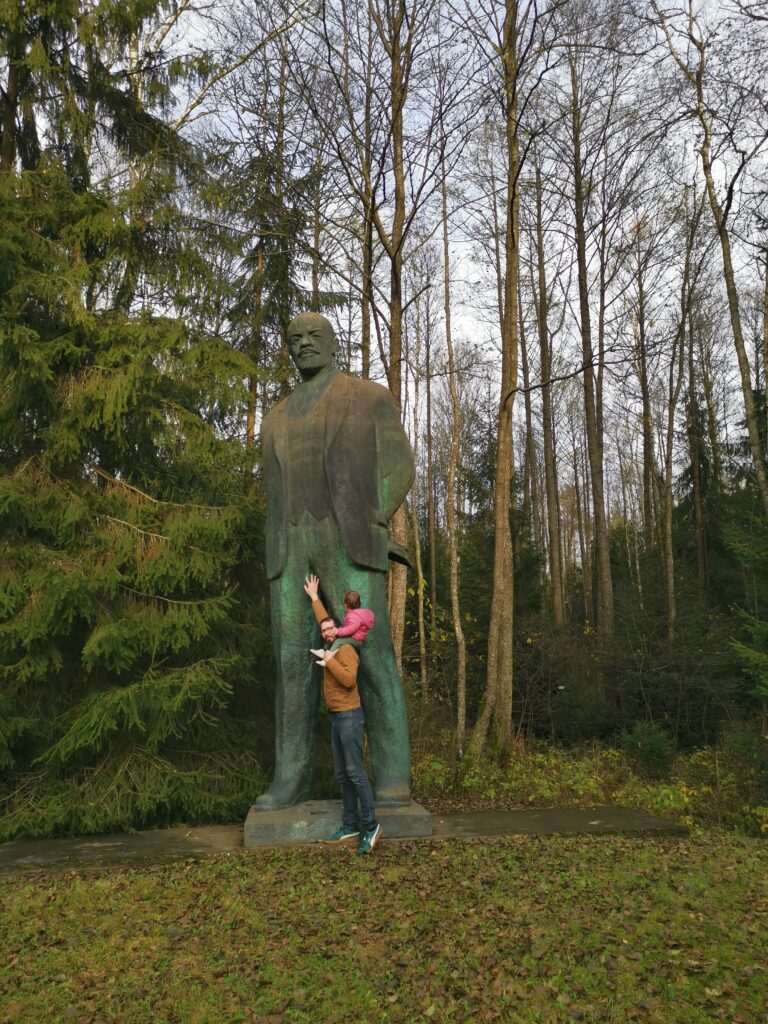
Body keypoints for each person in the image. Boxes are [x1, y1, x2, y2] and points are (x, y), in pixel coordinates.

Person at [254, 311, 415, 813]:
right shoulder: (275, 417)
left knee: (372, 654)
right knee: (291, 662)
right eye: (294, 337)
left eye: (313, 336)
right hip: (290, 547)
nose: (303, 343)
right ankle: (291, 777)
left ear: (332, 344)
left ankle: (393, 774)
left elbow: (400, 465)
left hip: (349, 540)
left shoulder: (368, 398)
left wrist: (373, 516)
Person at [304, 574, 381, 853]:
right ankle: (350, 825)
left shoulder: (346, 648)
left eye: (331, 629)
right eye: (324, 630)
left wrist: (329, 662)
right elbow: (324, 620)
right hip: (337, 718)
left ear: (339, 629)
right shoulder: (332, 642)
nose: (327, 632)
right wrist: (315, 598)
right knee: (343, 775)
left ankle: (370, 826)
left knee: (356, 773)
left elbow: (349, 680)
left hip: (350, 717)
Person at [312, 591, 374, 661]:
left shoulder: (354, 616)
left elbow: (351, 629)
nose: (325, 632)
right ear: (359, 604)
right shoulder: (357, 614)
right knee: (333, 636)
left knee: (338, 641)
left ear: (345, 605)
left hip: (355, 639)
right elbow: (326, 623)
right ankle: (325, 651)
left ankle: (328, 658)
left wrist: (339, 631)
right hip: (355, 637)